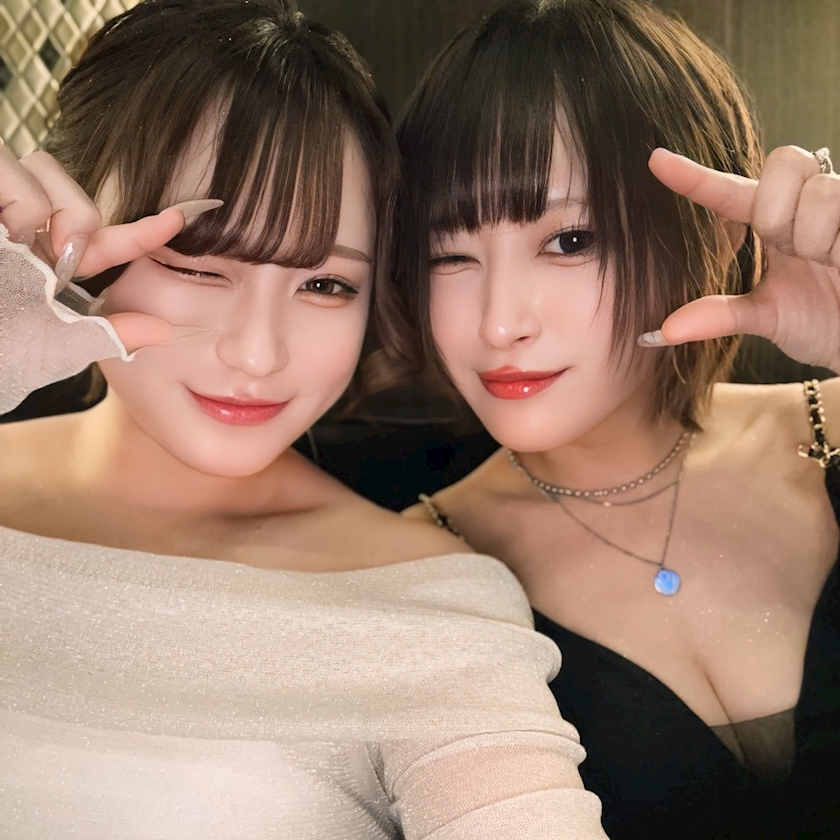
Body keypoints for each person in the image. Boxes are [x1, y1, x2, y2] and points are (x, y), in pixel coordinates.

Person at [0, 1, 610, 836]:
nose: (258, 354)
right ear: (62, 231)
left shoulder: (425, 610)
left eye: (326, 285)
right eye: (197, 265)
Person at [396, 0, 840, 837]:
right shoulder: (407, 569)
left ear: (711, 230)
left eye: (570, 240)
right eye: (448, 253)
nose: (498, 324)